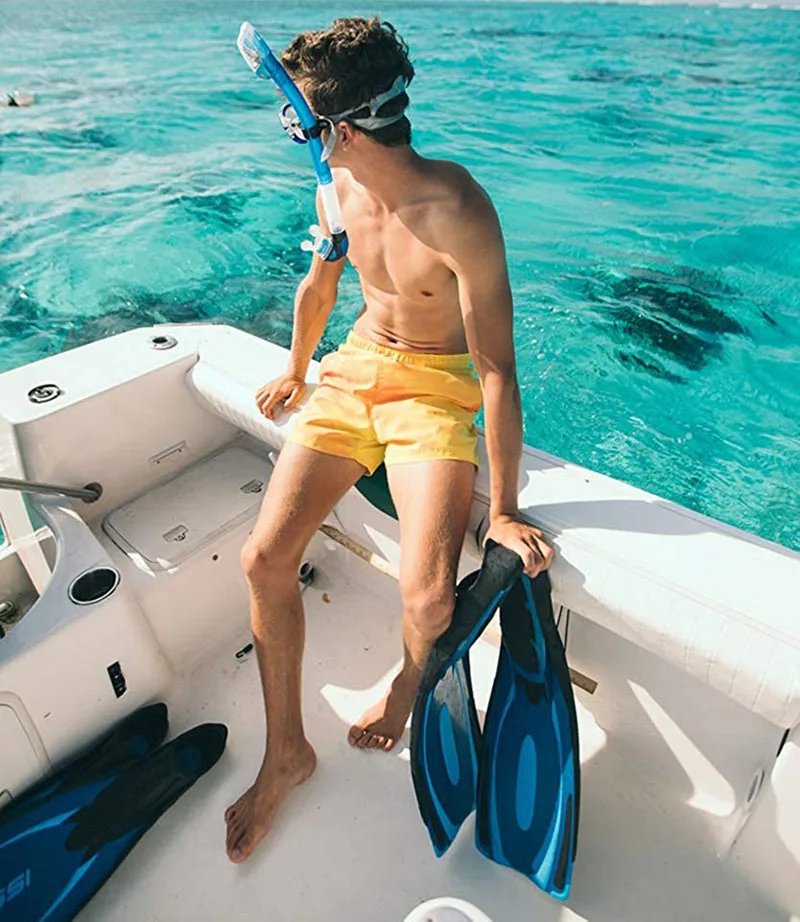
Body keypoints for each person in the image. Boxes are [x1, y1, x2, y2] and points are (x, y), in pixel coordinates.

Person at [225, 16, 554, 864]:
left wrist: (504, 509)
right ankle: (286, 753)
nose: (291, 132)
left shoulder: (458, 210)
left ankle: (408, 685)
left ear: (340, 128)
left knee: (430, 601)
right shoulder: (334, 191)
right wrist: (297, 368)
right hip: (355, 369)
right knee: (263, 559)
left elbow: (496, 370)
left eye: (296, 118)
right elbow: (321, 283)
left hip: (435, 392)